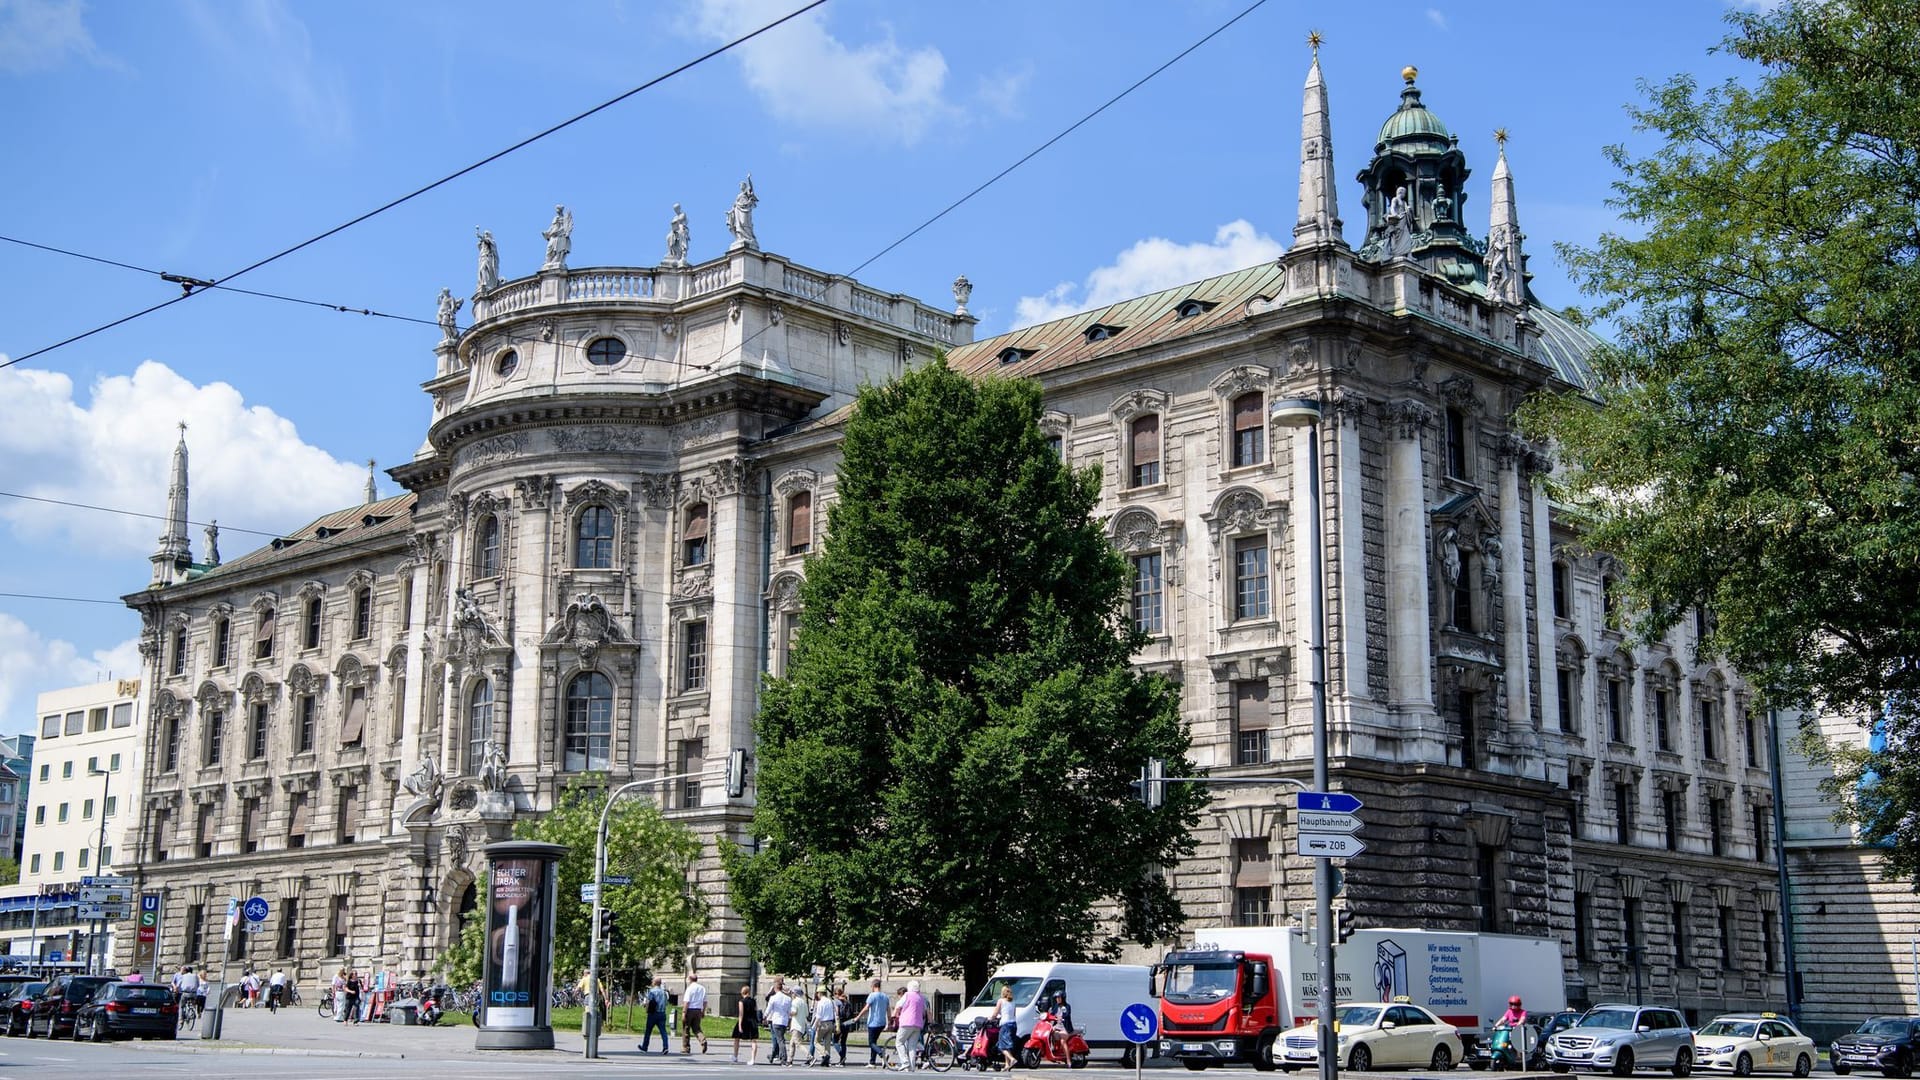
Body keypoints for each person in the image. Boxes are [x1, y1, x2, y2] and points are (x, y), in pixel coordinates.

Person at [896, 979, 928, 1073]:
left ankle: (905, 1062)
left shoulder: (907, 995)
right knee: (912, 1046)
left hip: (906, 1023)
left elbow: (898, 1005)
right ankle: (912, 1066)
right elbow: (925, 1011)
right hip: (918, 1024)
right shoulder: (921, 997)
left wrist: (895, 1014)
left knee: (899, 1042)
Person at [858, 978, 890, 1067]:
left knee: (871, 1043)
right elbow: (888, 1010)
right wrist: (889, 1021)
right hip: (882, 1022)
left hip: (873, 1022)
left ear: (874, 986)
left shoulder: (872, 995)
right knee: (874, 1042)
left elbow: (866, 1008)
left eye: (871, 986)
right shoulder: (885, 996)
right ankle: (872, 1062)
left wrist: (858, 1016)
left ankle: (882, 1053)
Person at [765, 978, 794, 1066]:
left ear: (775, 988)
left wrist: (764, 1017)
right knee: (778, 1039)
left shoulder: (773, 998)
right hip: (784, 1021)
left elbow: (768, 1009)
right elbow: (789, 1011)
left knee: (780, 1040)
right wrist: (789, 1020)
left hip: (776, 1020)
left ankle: (783, 1058)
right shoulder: (788, 999)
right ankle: (773, 1055)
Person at [992, 984, 1019, 1072]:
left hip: (1005, 1025)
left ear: (1002, 993)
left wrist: (990, 1018)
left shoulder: (1001, 1001)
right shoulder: (1013, 1002)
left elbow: (995, 1013)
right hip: (1013, 1024)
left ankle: (1012, 1059)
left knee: (1001, 1046)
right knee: (1007, 1045)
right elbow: (1013, 1014)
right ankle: (1007, 1064)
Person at [732, 984, 761, 1064]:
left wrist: (740, 1025)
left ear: (742, 993)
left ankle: (735, 1056)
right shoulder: (753, 1001)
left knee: (736, 1038)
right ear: (748, 992)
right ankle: (752, 1059)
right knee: (753, 1040)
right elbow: (755, 1010)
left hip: (744, 1021)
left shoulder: (741, 1002)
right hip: (752, 1021)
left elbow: (741, 1014)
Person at [642, 976, 671, 1054]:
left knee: (648, 1031)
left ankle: (644, 1047)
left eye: (653, 981)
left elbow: (649, 1001)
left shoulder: (652, 991)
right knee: (663, 1031)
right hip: (662, 1013)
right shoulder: (664, 992)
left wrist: (645, 1005)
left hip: (653, 1014)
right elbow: (666, 1002)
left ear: (654, 982)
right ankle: (665, 1047)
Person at [683, 972, 709, 1054]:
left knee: (686, 1028)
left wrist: (684, 1012)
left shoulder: (689, 988)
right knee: (697, 1028)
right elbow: (705, 1001)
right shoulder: (702, 988)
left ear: (690, 979)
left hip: (690, 1010)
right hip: (698, 1010)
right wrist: (703, 1011)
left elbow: (686, 1002)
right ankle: (703, 1040)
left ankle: (686, 1047)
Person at [1047, 990, 1075, 1063]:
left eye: (1059, 997)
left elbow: (1067, 1014)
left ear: (1063, 998)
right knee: (1049, 1032)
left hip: (1065, 1028)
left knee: (1063, 1041)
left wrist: (1062, 1016)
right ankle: (1052, 1048)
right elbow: (1052, 1013)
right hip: (1058, 1026)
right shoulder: (1056, 1006)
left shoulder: (1067, 1006)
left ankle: (1068, 1059)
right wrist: (1046, 1015)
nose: (1057, 999)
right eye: (1056, 998)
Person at [813, 988, 838, 1067]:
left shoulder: (820, 1002)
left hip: (823, 1024)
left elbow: (818, 1016)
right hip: (830, 1023)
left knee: (816, 1042)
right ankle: (826, 1061)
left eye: (817, 993)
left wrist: (814, 1026)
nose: (817, 995)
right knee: (827, 1043)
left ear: (820, 993)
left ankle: (825, 1054)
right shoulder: (830, 1001)